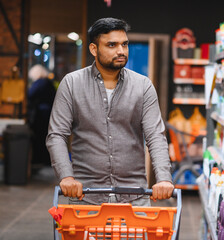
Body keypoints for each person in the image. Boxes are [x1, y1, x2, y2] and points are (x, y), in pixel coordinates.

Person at [46, 17, 174, 206]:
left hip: (134, 197)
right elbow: (57, 134)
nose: (121, 51)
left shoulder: (143, 86)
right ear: (93, 49)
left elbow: (155, 135)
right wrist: (66, 176)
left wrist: (164, 178)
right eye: (112, 45)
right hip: (85, 196)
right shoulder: (72, 84)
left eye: (124, 44)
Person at [27, 64, 56, 167]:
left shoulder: (40, 83)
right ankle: (46, 160)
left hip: (42, 115)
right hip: (49, 114)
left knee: (40, 138)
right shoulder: (48, 82)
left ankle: (39, 159)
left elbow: (29, 95)